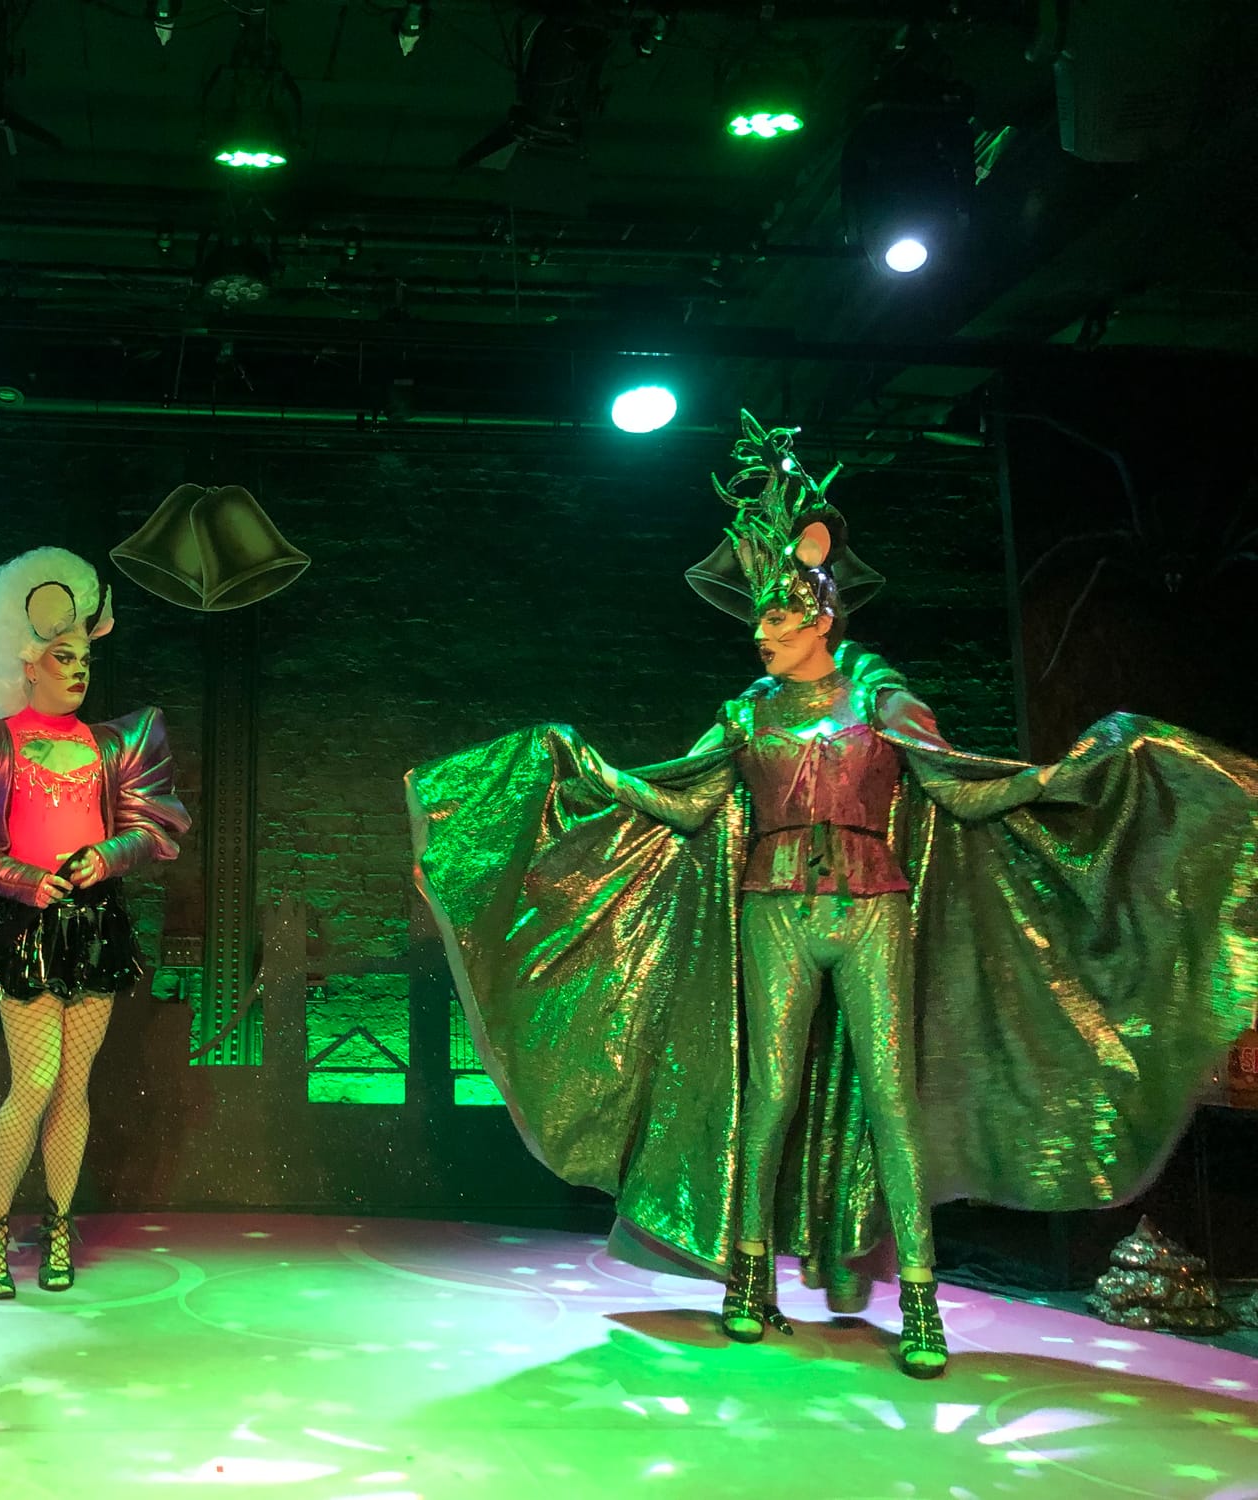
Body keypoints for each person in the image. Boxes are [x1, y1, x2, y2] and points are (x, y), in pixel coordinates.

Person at [407, 413, 1257, 1377]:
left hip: (871, 909)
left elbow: (957, 789)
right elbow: (686, 807)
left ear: (819, 617)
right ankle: (746, 1279)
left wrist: (1065, 777)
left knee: (891, 1099)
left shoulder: (880, 696)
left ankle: (922, 1301)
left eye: (776, 618)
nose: (760, 633)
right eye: (759, 619)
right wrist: (593, 770)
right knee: (767, 1095)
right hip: (772, 910)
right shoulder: (745, 713)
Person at [0, 547, 189, 1298]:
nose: (78, 671)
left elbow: (153, 826)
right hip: (28, 924)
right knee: (33, 1082)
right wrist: (22, 879)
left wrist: (107, 857)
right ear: (26, 662)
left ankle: (60, 1224)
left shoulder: (116, 743)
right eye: (62, 657)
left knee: (74, 1086)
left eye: (84, 659)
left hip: (97, 923)